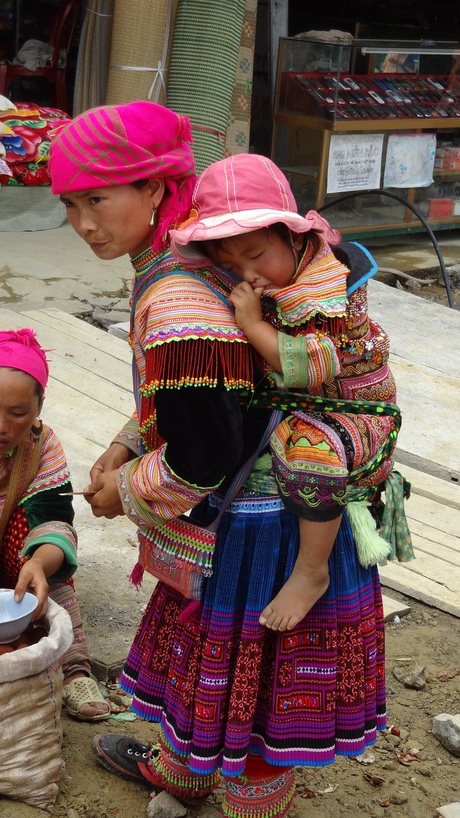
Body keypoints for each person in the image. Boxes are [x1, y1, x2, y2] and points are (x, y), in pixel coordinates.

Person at [48, 101, 397, 818]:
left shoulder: (179, 295)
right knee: (207, 663)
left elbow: (208, 452)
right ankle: (184, 774)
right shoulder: (196, 260)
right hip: (255, 502)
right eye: (69, 205)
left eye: (98, 199)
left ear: (153, 190)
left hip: (264, 519)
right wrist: (125, 440)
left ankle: (247, 800)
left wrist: (126, 490)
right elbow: (189, 399)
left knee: (251, 672)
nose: (83, 225)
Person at [169, 152, 400, 632]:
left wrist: (252, 324)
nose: (246, 273)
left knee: (311, 450)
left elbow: (312, 367)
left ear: (296, 238)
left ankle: (311, 571)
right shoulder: (272, 284)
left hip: (357, 416)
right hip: (300, 409)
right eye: (230, 262)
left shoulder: (329, 290)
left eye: (255, 256)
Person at [0, 327, 110, 722]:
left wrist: (39, 564)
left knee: (41, 551)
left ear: (38, 408)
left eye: (17, 413)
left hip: (13, 559)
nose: (3, 426)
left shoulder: (41, 447)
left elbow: (53, 518)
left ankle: (74, 666)